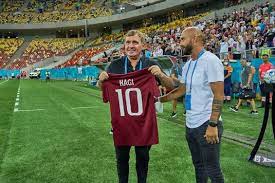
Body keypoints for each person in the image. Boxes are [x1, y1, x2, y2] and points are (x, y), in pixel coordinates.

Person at [97, 30, 174, 183]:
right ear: (124, 45)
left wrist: (160, 75)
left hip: (144, 124)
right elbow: (104, 92)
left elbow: (171, 86)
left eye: (135, 42)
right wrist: (101, 81)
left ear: (143, 45)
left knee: (143, 160)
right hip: (122, 123)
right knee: (122, 161)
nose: (131, 46)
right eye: (128, 42)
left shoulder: (151, 64)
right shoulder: (115, 65)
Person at [158, 27, 225, 183]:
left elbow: (219, 95)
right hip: (191, 123)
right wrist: (158, 100)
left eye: (182, 39)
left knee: (213, 169)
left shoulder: (211, 60)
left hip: (206, 123)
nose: (179, 43)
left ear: (194, 38)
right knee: (199, 166)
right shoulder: (188, 64)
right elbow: (182, 90)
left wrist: (213, 124)